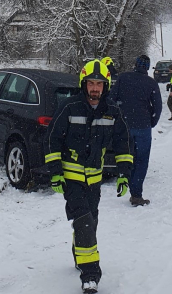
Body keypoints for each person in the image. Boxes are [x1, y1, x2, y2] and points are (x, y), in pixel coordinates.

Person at [45, 59, 133, 294]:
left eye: (100, 84)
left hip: (94, 180)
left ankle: (79, 253)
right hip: (72, 180)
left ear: (106, 86)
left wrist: (124, 174)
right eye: (91, 83)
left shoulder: (113, 112)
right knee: (84, 222)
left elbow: (123, 143)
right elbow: (52, 139)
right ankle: (90, 275)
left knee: (90, 222)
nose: (95, 88)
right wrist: (55, 173)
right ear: (84, 84)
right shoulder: (69, 107)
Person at [108, 54, 162, 206]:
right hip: (143, 127)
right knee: (141, 160)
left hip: (124, 126)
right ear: (147, 67)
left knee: (124, 156)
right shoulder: (151, 83)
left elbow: (111, 99)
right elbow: (157, 107)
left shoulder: (123, 78)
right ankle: (136, 194)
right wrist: (151, 122)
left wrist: (116, 118)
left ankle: (122, 182)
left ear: (135, 64)